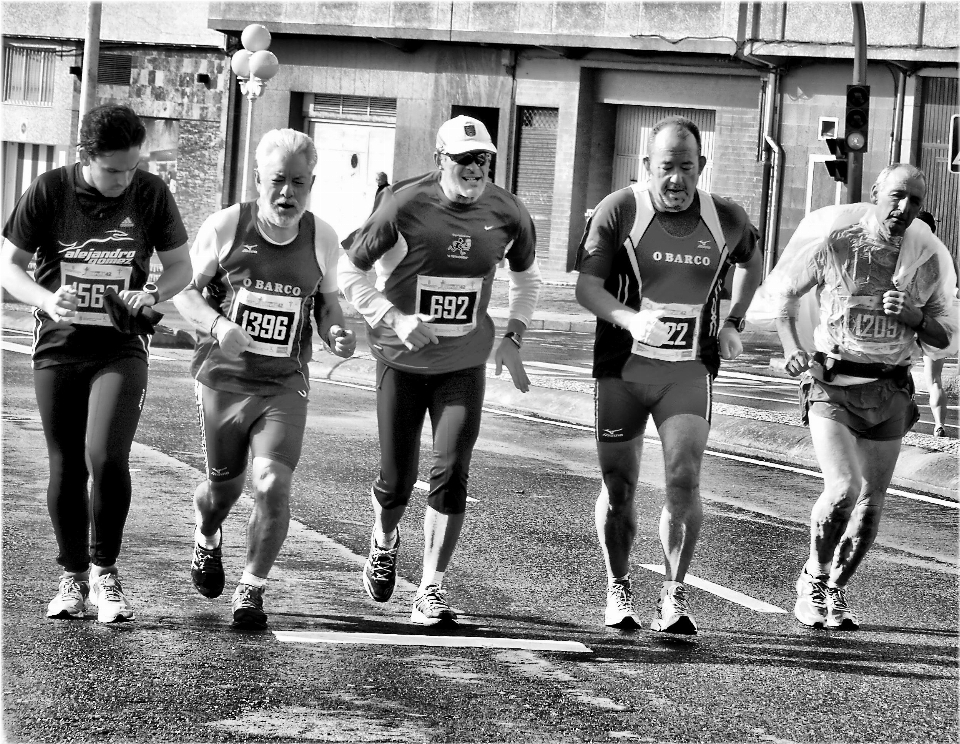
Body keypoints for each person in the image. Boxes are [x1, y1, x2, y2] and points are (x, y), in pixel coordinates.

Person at [338, 114, 542, 625]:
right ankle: (384, 538)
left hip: (462, 361)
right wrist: (394, 317)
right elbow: (348, 270)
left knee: (451, 470)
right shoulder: (403, 204)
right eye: (464, 160)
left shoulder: (509, 212)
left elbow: (526, 279)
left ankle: (430, 587)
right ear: (440, 160)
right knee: (396, 479)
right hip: (400, 358)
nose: (475, 169)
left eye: (484, 160)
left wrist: (514, 335)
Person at [0, 104, 191, 623]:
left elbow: (181, 267)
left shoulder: (150, 193)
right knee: (64, 461)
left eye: (132, 167)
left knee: (104, 455)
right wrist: (44, 298)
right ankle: (72, 578)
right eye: (113, 170)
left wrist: (150, 290)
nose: (123, 180)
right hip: (59, 347)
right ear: (87, 157)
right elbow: (9, 266)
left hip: (120, 346)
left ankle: (106, 574)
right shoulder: (49, 190)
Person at [574, 115, 762, 634]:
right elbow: (586, 288)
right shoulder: (620, 210)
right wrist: (630, 318)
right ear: (646, 167)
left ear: (701, 166)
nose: (676, 179)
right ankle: (619, 584)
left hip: (688, 371)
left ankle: (674, 595)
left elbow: (753, 258)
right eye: (665, 168)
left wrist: (733, 320)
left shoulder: (725, 216)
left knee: (683, 477)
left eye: (686, 167)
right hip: (622, 371)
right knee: (620, 488)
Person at [172, 129, 356, 629]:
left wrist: (336, 329)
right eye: (278, 181)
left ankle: (251, 589)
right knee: (223, 492)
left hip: (283, 384)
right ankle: (206, 532)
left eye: (299, 182)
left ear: (312, 182)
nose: (287, 193)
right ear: (258, 180)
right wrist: (218, 324)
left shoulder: (322, 236)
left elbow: (327, 301)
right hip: (223, 380)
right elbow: (184, 293)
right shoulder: (227, 226)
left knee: (272, 482)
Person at [766, 164, 957, 630]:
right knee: (842, 491)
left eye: (914, 201)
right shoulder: (837, 241)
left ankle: (835, 588)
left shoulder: (929, 258)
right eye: (896, 196)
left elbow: (945, 335)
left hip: (890, 388)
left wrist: (915, 317)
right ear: (875, 192)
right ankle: (813, 577)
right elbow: (786, 296)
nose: (904, 208)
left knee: (870, 508)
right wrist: (793, 348)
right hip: (833, 385)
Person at [916, 210, 950, 437]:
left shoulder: (909, 252)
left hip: (910, 318)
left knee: (896, 371)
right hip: (938, 322)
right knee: (935, 379)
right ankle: (939, 425)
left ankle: (899, 420)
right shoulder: (944, 256)